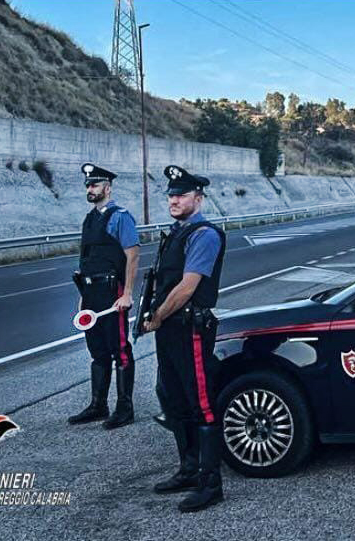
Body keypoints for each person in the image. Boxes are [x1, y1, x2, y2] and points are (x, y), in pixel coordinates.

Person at [141, 165, 226, 512]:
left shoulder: (203, 234)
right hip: (169, 330)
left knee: (201, 405)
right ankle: (189, 470)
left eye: (181, 194)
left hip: (189, 329)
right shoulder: (176, 233)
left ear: (198, 198)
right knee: (174, 401)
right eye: (171, 195)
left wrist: (158, 316)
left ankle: (211, 484)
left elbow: (188, 286)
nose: (174, 200)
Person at [68, 163, 140, 430]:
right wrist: (82, 298)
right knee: (97, 351)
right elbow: (85, 258)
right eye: (88, 185)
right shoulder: (89, 219)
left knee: (120, 350)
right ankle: (99, 405)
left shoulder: (120, 217)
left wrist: (128, 293)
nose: (90, 188)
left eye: (95, 185)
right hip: (91, 293)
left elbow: (132, 255)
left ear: (107, 188)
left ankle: (125, 408)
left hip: (113, 293)